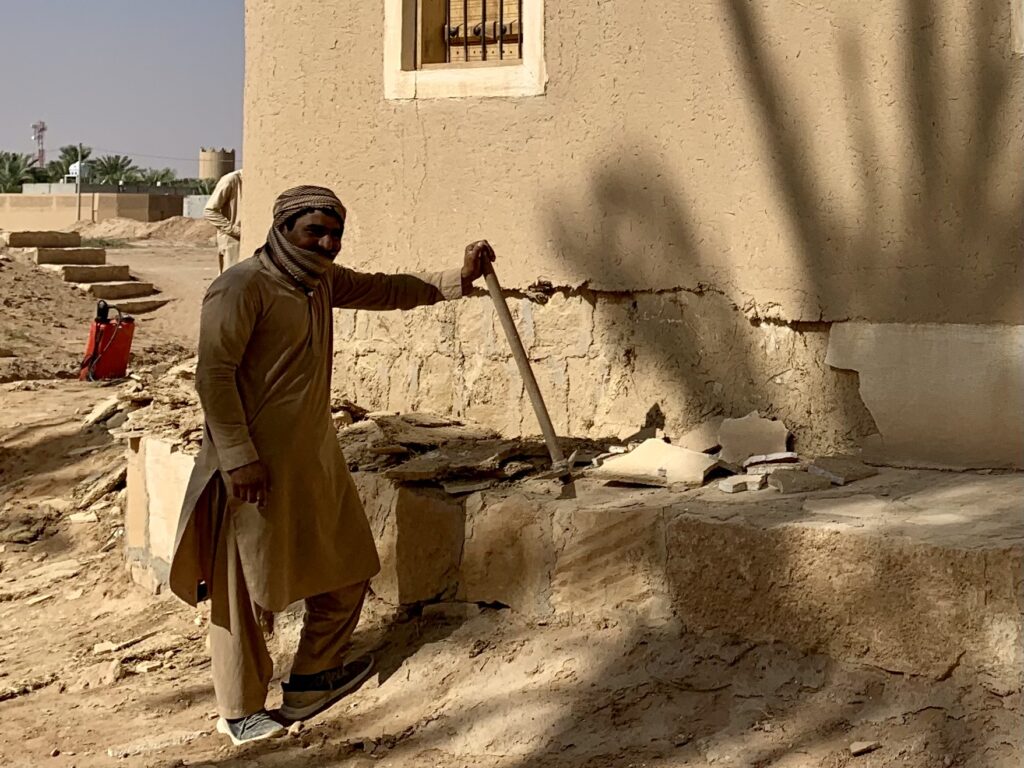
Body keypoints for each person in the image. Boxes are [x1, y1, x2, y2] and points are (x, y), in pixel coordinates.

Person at [169, 185, 495, 746]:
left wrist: (456, 279)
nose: (327, 243)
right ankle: (241, 710)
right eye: (314, 231)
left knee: (349, 562)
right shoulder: (241, 287)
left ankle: (313, 679)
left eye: (335, 233)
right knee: (245, 588)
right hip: (251, 466)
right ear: (283, 228)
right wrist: (240, 457)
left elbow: (385, 289)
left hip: (313, 458)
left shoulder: (319, 281)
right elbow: (214, 377)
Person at [203, 169, 243, 273]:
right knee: (232, 281)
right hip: (232, 242)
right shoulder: (232, 180)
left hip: (249, 241)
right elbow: (210, 211)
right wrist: (235, 230)